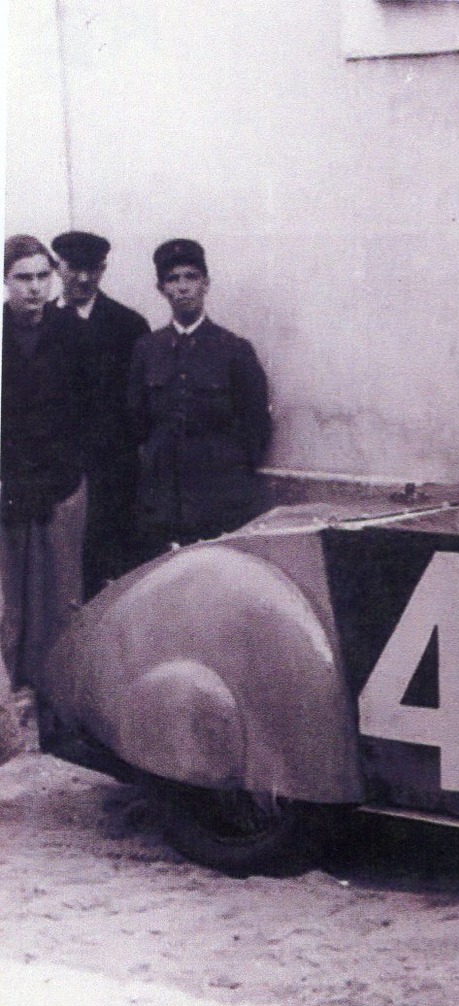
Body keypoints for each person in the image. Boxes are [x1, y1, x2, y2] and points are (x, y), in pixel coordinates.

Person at [128, 239, 272, 560]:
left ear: (206, 284)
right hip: (163, 504)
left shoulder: (234, 350)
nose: (183, 287)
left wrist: (229, 474)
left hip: (220, 501)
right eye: (173, 279)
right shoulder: (147, 350)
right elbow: (136, 422)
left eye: (191, 277)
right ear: (161, 288)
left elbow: (256, 428)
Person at [1, 235, 93, 689]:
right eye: (23, 277)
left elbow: (90, 414)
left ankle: (56, 703)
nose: (34, 287)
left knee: (59, 603)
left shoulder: (72, 333)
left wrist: (63, 474)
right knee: (8, 607)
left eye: (42, 276)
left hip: (62, 486)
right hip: (8, 490)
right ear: (5, 281)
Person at [50, 231, 151, 596]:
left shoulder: (129, 325)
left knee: (107, 573)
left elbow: (140, 408)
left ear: (103, 269)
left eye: (92, 269)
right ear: (58, 267)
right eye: (74, 268)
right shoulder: (39, 323)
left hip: (112, 473)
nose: (82, 278)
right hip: (55, 474)